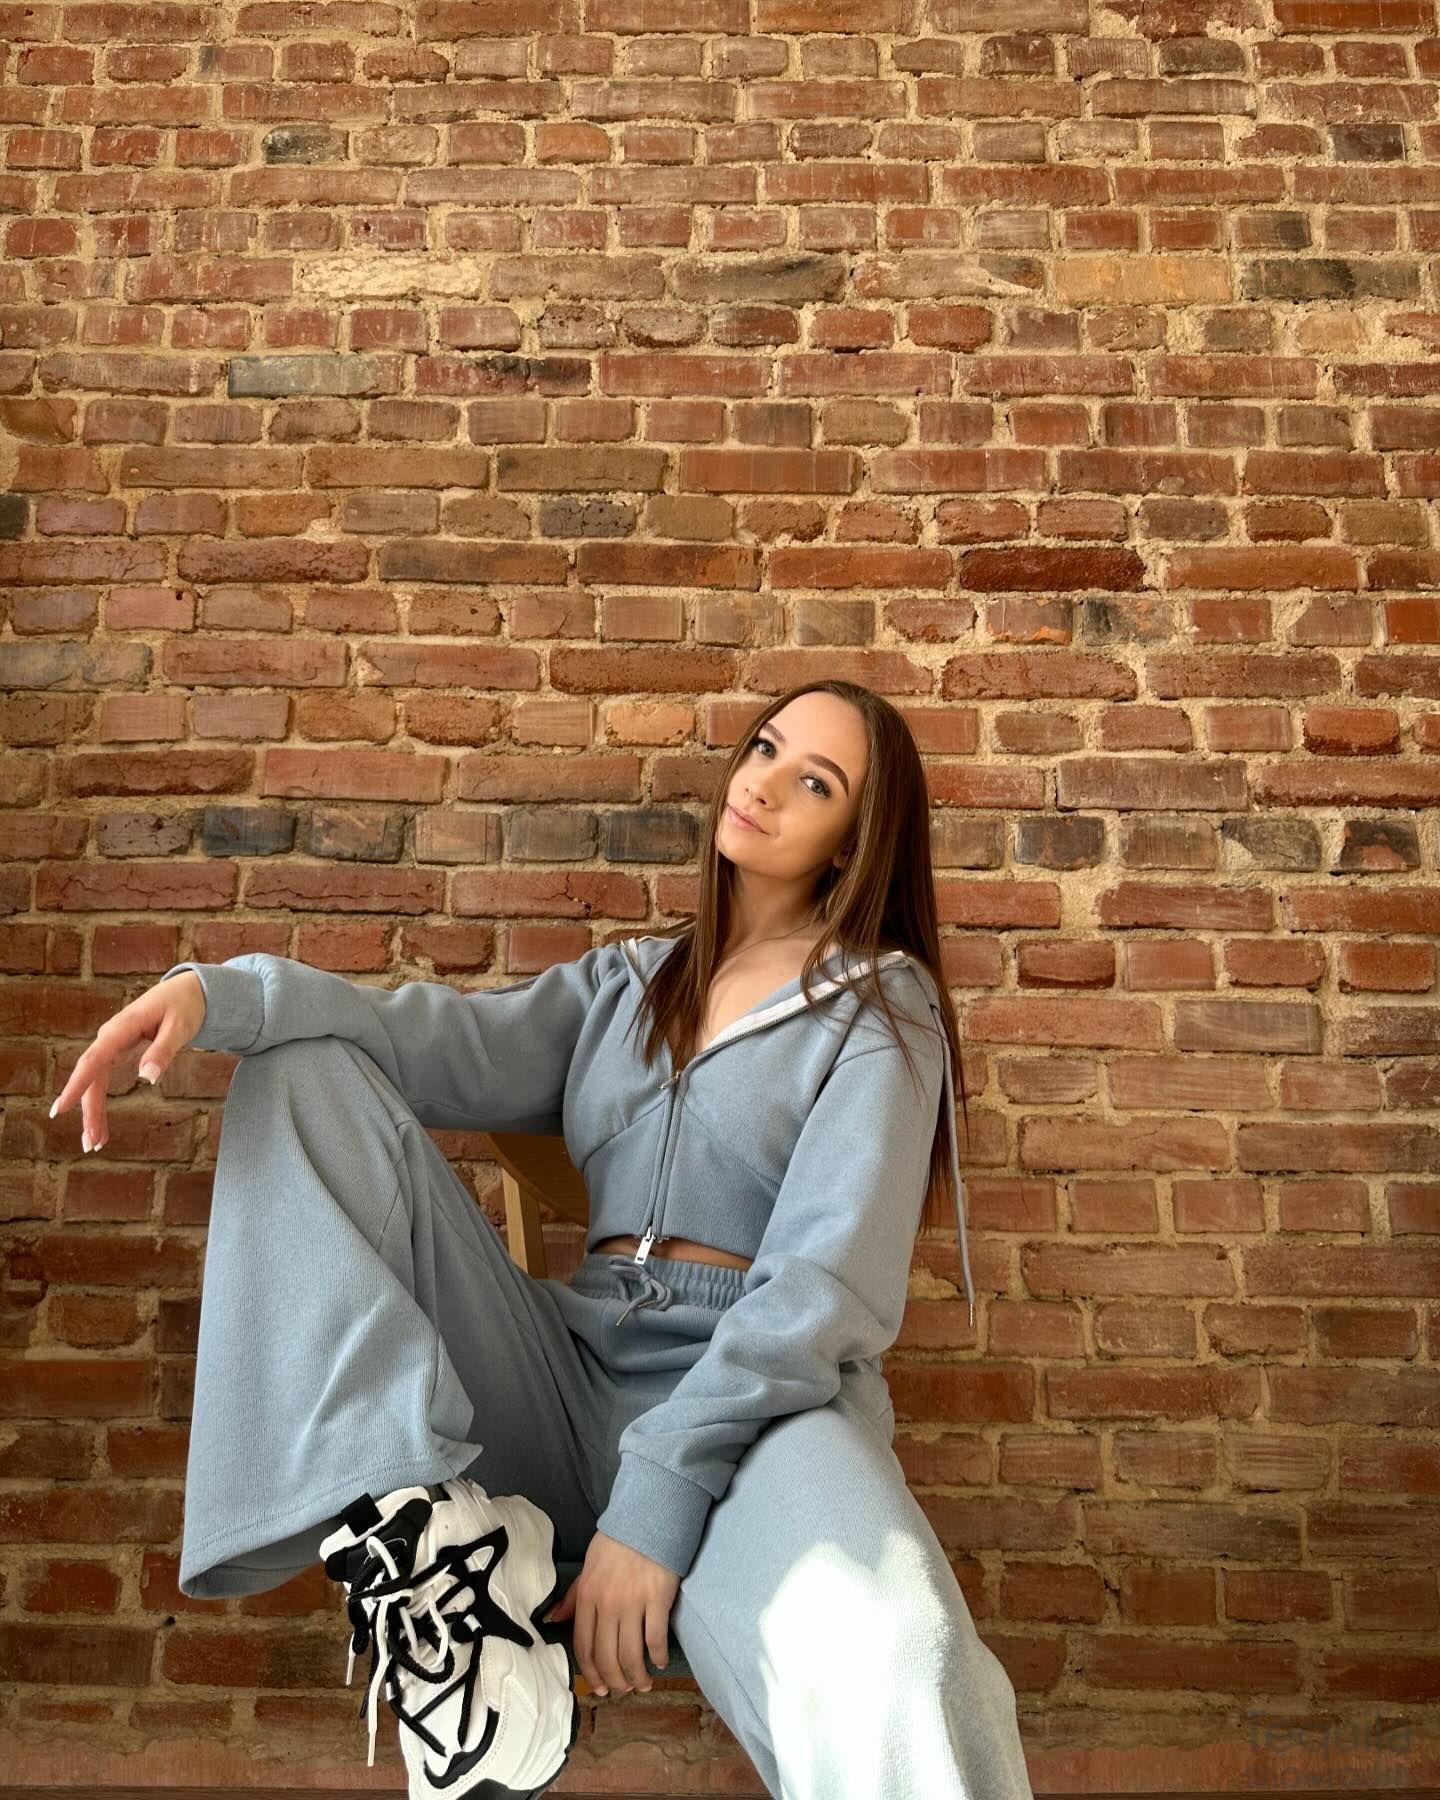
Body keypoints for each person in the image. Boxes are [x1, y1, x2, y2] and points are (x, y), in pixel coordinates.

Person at [50, 679, 1034, 1800]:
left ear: (856, 839)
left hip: (762, 1413)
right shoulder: (627, 986)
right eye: (764, 748)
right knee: (302, 1069)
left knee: (900, 1647)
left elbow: (822, 1293)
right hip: (560, 1383)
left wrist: (650, 1516)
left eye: (814, 781)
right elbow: (424, 1040)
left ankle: (492, 1589)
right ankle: (430, 1560)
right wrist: (217, 995)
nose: (761, 783)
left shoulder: (880, 1010)